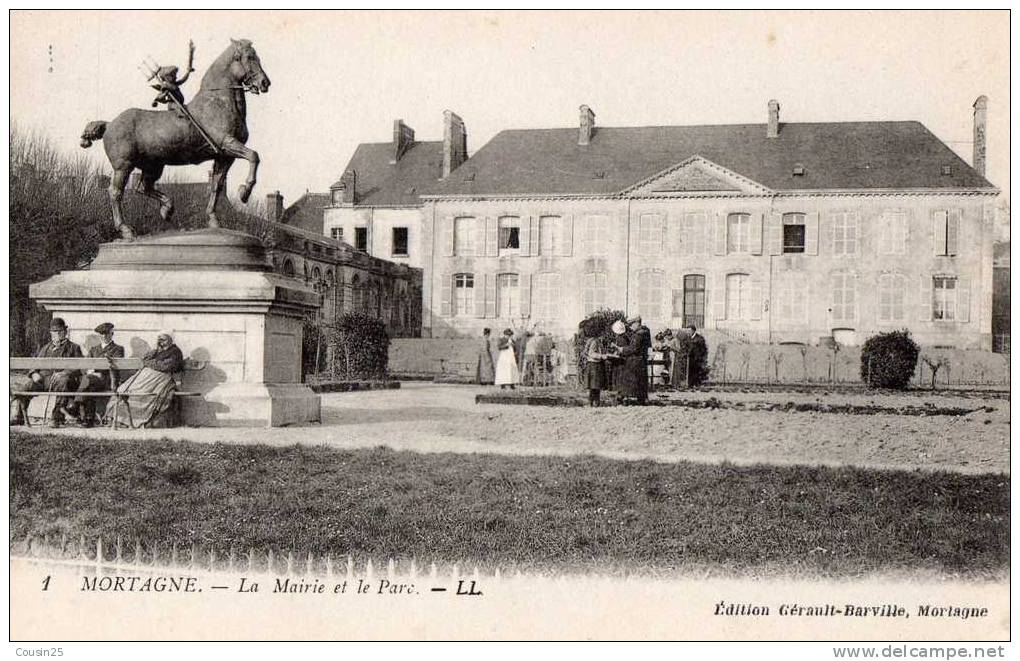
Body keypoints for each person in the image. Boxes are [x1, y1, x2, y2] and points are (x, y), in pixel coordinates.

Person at [10, 317, 84, 427]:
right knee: (26, 385)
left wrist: (65, 373)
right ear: (51, 333)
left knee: (63, 381)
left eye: (60, 331)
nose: (57, 334)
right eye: (54, 332)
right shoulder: (46, 348)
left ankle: (56, 418)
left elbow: (79, 367)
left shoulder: (73, 348)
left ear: (65, 332)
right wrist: (34, 373)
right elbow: (35, 364)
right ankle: (18, 416)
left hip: (64, 380)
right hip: (44, 380)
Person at [106, 330, 184, 428]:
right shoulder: (157, 350)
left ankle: (134, 420)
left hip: (160, 378)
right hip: (145, 376)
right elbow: (145, 359)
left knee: (141, 393)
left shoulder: (175, 352)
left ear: (170, 340)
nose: (161, 342)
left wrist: (150, 363)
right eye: (159, 340)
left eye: (163, 340)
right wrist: (156, 350)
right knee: (124, 389)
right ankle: (118, 419)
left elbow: (165, 366)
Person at [69, 322, 126, 427]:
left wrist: (98, 373)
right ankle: (88, 419)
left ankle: (76, 406)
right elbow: (86, 365)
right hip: (92, 380)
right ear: (99, 335)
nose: (104, 336)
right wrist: (92, 372)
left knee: (87, 381)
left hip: (108, 380)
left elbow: (116, 367)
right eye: (101, 334)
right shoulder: (94, 349)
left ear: (111, 334)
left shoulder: (118, 349)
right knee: (89, 386)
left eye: (106, 333)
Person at [613, 317, 650, 405]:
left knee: (629, 378)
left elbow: (633, 348)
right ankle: (642, 398)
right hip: (641, 360)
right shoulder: (645, 333)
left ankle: (625, 397)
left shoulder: (638, 335)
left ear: (636, 324)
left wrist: (621, 349)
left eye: (631, 325)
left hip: (635, 361)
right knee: (641, 381)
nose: (630, 327)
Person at [149, 40, 195, 110]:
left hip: (179, 103)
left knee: (184, 108)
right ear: (166, 77)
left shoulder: (174, 84)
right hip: (173, 105)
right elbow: (160, 96)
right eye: (172, 76)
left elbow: (183, 80)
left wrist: (188, 72)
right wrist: (157, 100)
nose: (175, 77)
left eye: (174, 75)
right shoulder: (166, 86)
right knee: (181, 110)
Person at [582, 328, 611, 407]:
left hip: (592, 365)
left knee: (594, 386)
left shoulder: (592, 340)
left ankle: (593, 402)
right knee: (595, 386)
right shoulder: (595, 342)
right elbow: (592, 353)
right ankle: (594, 402)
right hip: (595, 365)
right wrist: (601, 356)